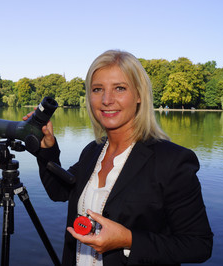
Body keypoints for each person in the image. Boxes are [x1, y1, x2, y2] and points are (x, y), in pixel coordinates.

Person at [24, 50, 213, 265]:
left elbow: (199, 245)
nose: (106, 100)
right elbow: (58, 192)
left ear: (139, 94)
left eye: (119, 88)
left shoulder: (172, 161)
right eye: (97, 89)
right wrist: (46, 149)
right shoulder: (92, 151)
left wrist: (129, 240)